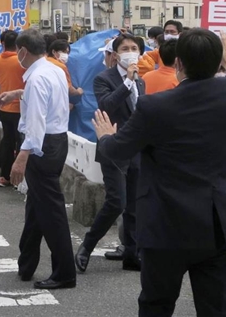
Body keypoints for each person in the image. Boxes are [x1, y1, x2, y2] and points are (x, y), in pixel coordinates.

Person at [91, 29, 226, 317]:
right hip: (217, 223)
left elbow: (118, 151)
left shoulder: (154, 106)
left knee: (156, 304)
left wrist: (106, 137)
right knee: (215, 306)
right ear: (218, 63)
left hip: (165, 224)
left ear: (178, 63)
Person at [0, 29, 75, 290]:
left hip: (41, 146)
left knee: (51, 212)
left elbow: (36, 122)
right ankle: (26, 263)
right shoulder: (51, 69)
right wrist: (16, 94)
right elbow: (45, 99)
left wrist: (21, 156)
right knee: (37, 206)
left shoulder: (39, 77)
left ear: (22, 51)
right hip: (55, 142)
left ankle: (64, 272)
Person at [75, 33, 146, 273]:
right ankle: (87, 245)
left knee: (135, 205)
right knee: (117, 201)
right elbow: (107, 105)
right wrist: (127, 81)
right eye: (125, 48)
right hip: (114, 148)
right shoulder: (103, 78)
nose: (130, 51)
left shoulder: (141, 81)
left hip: (137, 148)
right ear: (115, 55)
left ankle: (132, 254)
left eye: (134, 47)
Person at [0, 31, 27, 187]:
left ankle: (5, 175)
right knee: (20, 142)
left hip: (4, 107)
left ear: (2, 43)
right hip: (21, 107)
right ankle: (17, 177)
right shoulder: (22, 61)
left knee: (8, 140)